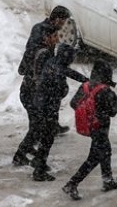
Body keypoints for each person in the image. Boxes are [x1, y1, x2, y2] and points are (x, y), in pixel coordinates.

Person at [62, 59, 117, 201]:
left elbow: (74, 103)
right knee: (94, 157)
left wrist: (89, 113)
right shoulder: (105, 91)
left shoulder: (85, 86)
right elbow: (113, 112)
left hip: (91, 127)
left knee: (105, 152)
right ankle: (72, 183)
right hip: (101, 128)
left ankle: (108, 180)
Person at [31, 44, 88, 181]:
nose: (73, 59)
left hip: (41, 104)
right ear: (66, 57)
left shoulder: (53, 62)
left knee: (46, 137)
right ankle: (39, 171)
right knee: (47, 138)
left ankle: (38, 162)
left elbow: (69, 72)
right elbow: (61, 86)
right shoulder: (58, 71)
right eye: (72, 56)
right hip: (47, 107)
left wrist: (86, 80)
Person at [17, 7, 73, 137]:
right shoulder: (41, 31)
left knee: (52, 102)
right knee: (36, 110)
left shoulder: (51, 32)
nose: (63, 25)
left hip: (41, 75)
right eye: (63, 21)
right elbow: (31, 49)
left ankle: (52, 127)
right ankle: (33, 138)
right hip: (34, 78)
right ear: (57, 19)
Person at [12, 25, 59, 166]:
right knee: (37, 126)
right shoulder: (45, 53)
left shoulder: (32, 49)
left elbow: (21, 70)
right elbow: (43, 77)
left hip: (26, 92)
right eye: (55, 36)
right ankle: (19, 155)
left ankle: (26, 149)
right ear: (47, 38)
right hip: (33, 94)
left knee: (36, 125)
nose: (57, 39)